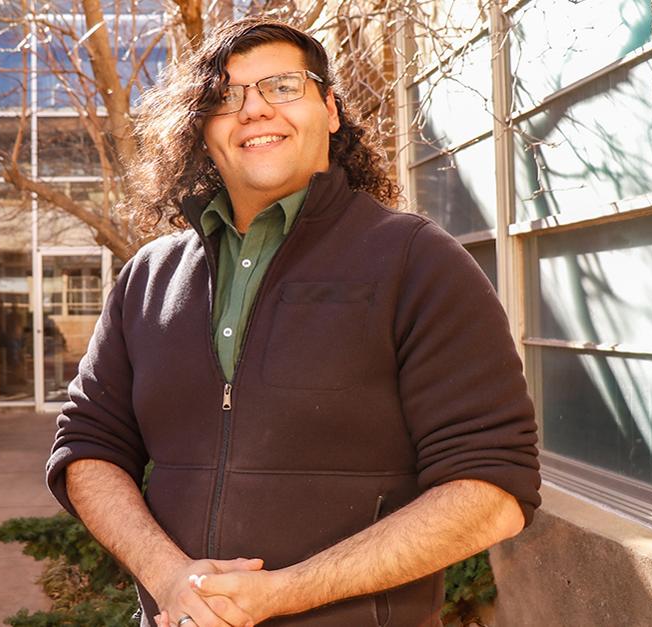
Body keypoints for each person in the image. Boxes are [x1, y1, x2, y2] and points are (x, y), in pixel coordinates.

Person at [46, 17, 540, 627]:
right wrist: (170, 579)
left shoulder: (417, 261)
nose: (252, 110)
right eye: (224, 96)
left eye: (282, 86)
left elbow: (492, 493)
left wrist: (282, 593)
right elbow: (87, 448)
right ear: (203, 128)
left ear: (330, 109)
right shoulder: (150, 276)